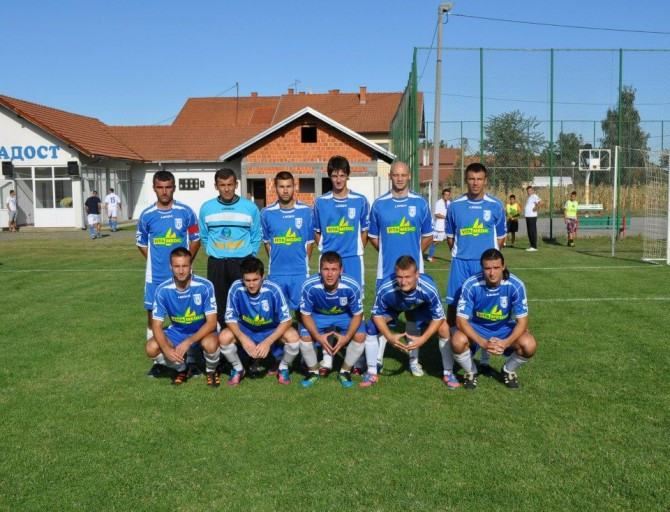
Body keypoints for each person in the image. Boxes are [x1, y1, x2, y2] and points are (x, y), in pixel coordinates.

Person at [367, 161, 433, 378]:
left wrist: (413, 257)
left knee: (413, 317)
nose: (400, 178)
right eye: (396, 175)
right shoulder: (379, 204)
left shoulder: (420, 203)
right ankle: (377, 361)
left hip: (414, 274)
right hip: (386, 273)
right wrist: (388, 253)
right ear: (390, 177)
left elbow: (428, 236)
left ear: (409, 176)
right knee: (381, 318)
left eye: (403, 175)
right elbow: (373, 238)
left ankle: (414, 361)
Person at [444, 162, 506, 380]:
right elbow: (450, 238)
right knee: (453, 308)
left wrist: (488, 261)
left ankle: (485, 359)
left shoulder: (496, 205)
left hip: (485, 267)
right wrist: (464, 254)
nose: (475, 183)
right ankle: (453, 355)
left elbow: (500, 239)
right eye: (471, 178)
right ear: (466, 180)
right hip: (461, 264)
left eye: (479, 179)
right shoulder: (455, 206)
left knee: (486, 308)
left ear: (485, 180)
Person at [136, 170, 201, 377]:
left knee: (188, 317)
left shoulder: (186, 212)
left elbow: (196, 239)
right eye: (160, 187)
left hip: (183, 278)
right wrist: (155, 262)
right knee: (152, 319)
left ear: (174, 188)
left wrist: (184, 264)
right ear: (154, 188)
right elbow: (141, 243)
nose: (164, 192)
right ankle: (159, 361)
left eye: (168, 187)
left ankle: (191, 360)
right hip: (155, 278)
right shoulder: (147, 215)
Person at [312, 155, 370, 375]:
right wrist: (327, 251)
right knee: (327, 305)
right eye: (334, 175)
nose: (338, 179)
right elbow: (317, 233)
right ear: (330, 176)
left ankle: (358, 359)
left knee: (356, 307)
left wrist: (355, 250)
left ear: (348, 176)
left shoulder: (360, 200)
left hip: (353, 260)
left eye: (342, 175)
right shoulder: (321, 202)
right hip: (328, 262)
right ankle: (327, 358)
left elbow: (364, 231)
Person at [362, 255, 456, 388]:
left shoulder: (428, 288)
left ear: (417, 274)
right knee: (372, 326)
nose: (403, 281)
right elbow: (376, 314)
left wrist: (423, 339)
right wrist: (389, 336)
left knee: (444, 328)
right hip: (395, 305)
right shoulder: (386, 287)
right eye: (399, 277)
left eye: (407, 277)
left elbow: (439, 317)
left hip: (420, 305)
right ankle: (372, 370)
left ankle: (448, 372)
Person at [451, 248, 537, 389]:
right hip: (477, 327)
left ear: (503, 266)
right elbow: (461, 321)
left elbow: (523, 321)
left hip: (503, 328)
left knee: (529, 345)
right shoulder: (471, 284)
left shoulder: (515, 285)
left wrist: (506, 342)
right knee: (457, 341)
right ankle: (471, 372)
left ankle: (508, 370)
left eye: (496, 268)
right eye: (487, 268)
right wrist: (483, 343)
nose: (492, 273)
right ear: (482, 268)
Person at [211, 256, 300, 386]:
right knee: (224, 336)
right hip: (246, 330)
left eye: (255, 280)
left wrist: (268, 341)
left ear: (262, 277)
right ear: (242, 278)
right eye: (247, 280)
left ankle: (283, 368)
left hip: (270, 330)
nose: (251, 285)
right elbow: (230, 318)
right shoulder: (236, 288)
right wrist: (243, 338)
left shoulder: (273, 289)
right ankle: (238, 369)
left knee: (293, 336)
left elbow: (287, 320)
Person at [260, 171, 314, 374]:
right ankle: (278, 357)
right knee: (276, 317)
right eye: (281, 186)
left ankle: (307, 358)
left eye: (288, 186)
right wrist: (278, 262)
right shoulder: (266, 213)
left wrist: (302, 264)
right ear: (275, 188)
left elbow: (309, 243)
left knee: (303, 315)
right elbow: (267, 243)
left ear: (294, 187)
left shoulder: (306, 211)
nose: (285, 190)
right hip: (277, 275)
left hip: (300, 274)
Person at [145, 247, 219, 387]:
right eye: (176, 266)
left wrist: (189, 342)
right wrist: (166, 349)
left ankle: (211, 370)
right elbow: (156, 325)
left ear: (191, 266)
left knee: (210, 344)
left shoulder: (205, 286)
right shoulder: (162, 290)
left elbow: (211, 323)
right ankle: (182, 369)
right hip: (178, 332)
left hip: (202, 331)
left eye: (184, 266)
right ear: (170, 267)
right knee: (151, 347)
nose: (180, 271)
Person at [199, 168, 261, 328]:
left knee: (243, 301)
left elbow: (255, 236)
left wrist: (249, 257)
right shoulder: (206, 208)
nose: (226, 189)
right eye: (222, 185)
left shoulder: (250, 207)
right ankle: (222, 336)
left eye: (230, 185)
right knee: (218, 303)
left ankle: (244, 335)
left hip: (242, 262)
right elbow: (204, 236)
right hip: (217, 263)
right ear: (216, 186)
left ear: (236, 185)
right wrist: (217, 251)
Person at [297, 251, 366, 388]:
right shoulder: (309, 285)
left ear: (341, 270)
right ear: (320, 270)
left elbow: (358, 314)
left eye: (334, 269)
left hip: (344, 315)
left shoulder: (352, 285)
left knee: (360, 336)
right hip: (318, 315)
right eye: (326, 269)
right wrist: (318, 337)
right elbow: (305, 314)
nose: (330, 274)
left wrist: (346, 337)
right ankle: (313, 372)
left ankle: (345, 371)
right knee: (305, 337)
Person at [425, 187, 451, 262]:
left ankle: (454, 258)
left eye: (448, 195)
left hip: (446, 225)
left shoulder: (449, 203)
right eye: (445, 195)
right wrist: (446, 217)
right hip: (439, 226)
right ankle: (429, 257)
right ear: (442, 195)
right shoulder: (439, 203)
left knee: (450, 240)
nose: (447, 196)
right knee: (435, 242)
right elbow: (436, 214)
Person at [524, 185, 542, 251]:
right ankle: (531, 245)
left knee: (532, 231)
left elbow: (540, 203)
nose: (529, 192)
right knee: (529, 231)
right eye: (528, 190)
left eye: (530, 190)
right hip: (528, 216)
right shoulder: (529, 197)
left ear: (533, 190)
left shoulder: (534, 196)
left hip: (532, 216)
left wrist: (536, 208)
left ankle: (534, 247)